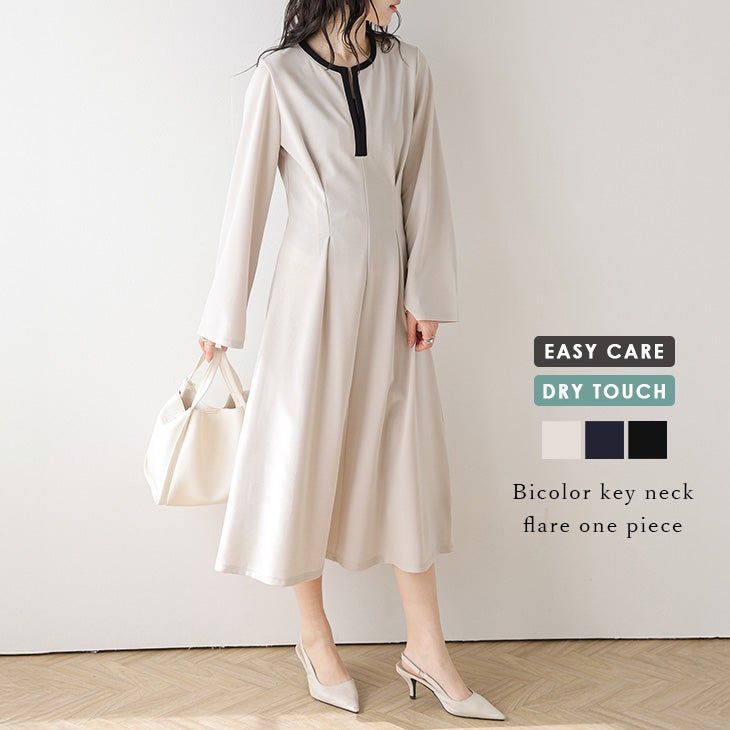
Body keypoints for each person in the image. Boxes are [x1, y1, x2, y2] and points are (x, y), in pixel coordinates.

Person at [196, 0, 506, 721]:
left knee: (403, 459)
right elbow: (247, 202)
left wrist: (427, 292)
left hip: (393, 299)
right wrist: (222, 319)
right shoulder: (279, 78)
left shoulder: (408, 70)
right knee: (303, 453)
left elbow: (424, 184)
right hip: (310, 296)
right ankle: (315, 636)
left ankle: (427, 647)